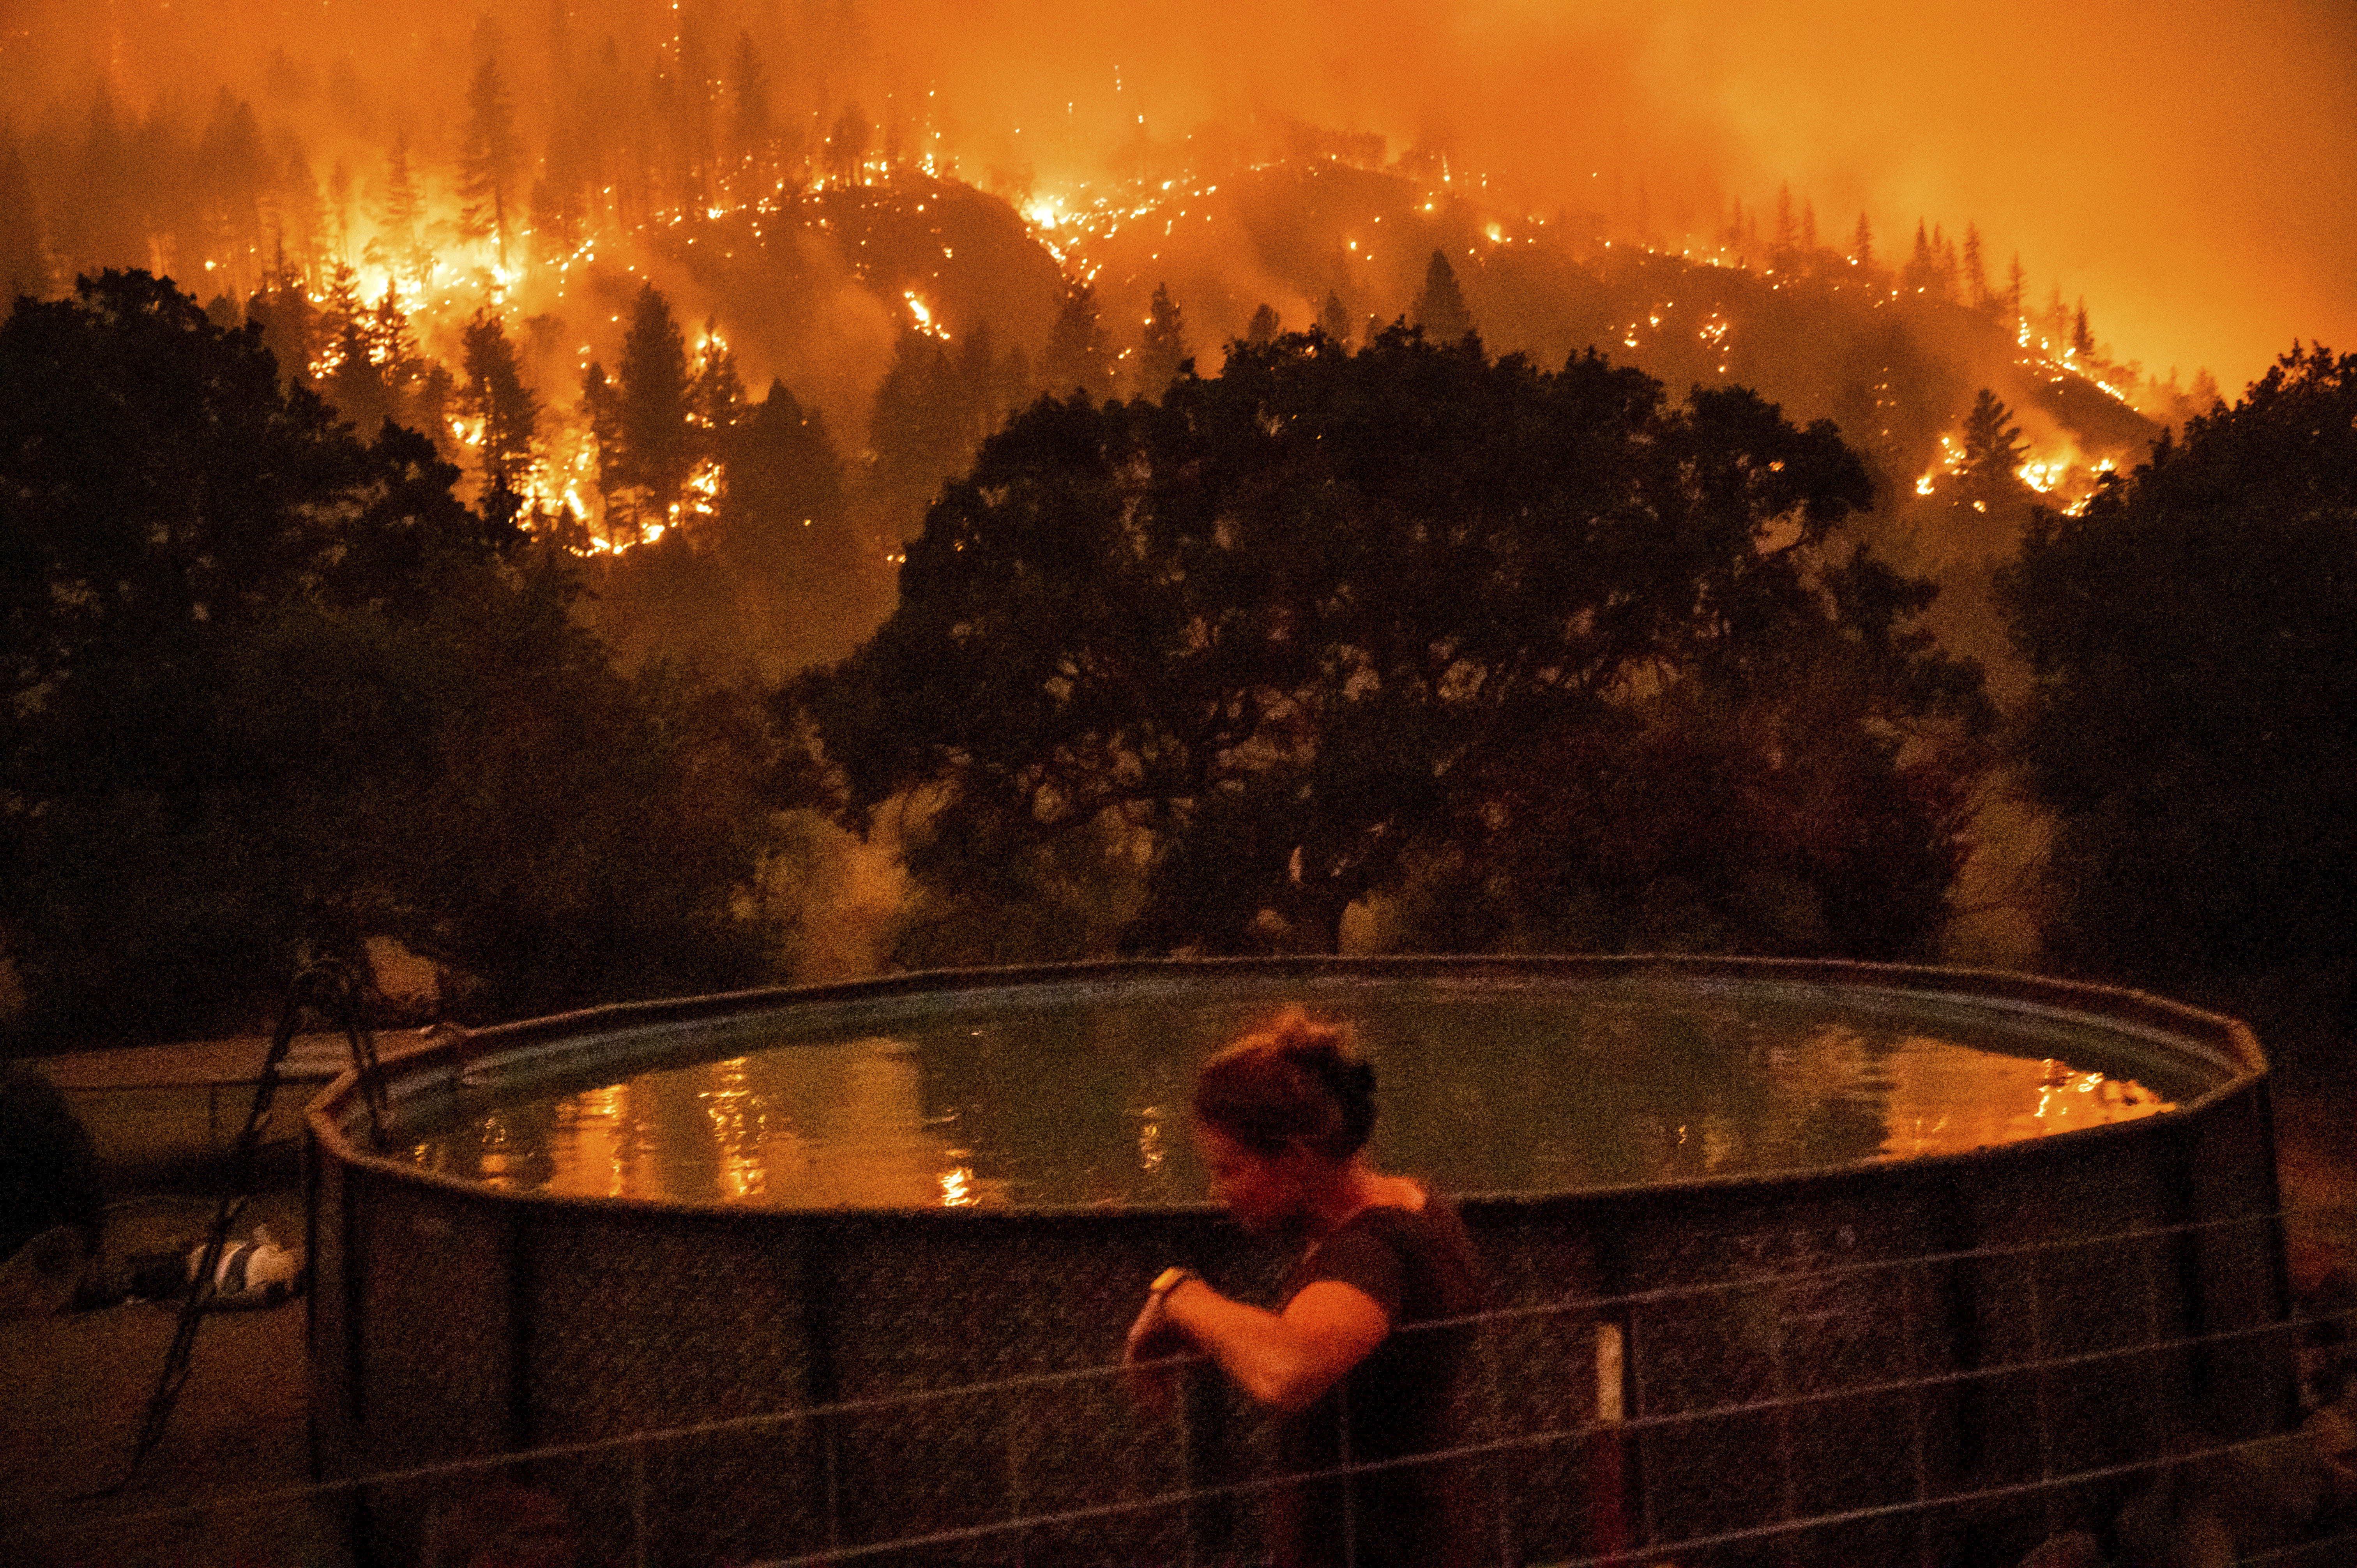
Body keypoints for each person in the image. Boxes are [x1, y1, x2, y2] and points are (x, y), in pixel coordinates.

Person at [1123, 1009, 1484, 1568]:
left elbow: (1287, 1368)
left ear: (1295, 1155)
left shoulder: (1371, 1250)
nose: (1220, 1191)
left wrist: (1179, 1294)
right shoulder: (1418, 1204)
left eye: (1230, 1169)